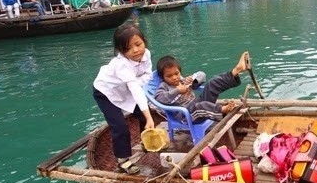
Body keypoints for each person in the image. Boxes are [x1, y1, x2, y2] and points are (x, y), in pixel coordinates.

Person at [92, 24, 155, 174]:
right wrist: (149, 117)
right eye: (127, 48)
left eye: (138, 44)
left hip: (125, 90)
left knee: (144, 116)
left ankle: (145, 139)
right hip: (105, 93)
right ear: (120, 51)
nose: (135, 50)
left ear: (144, 41)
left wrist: (147, 116)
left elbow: (148, 76)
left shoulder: (146, 54)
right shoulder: (121, 64)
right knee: (120, 127)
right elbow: (135, 89)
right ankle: (123, 161)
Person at [153, 52, 250, 122]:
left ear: (179, 71)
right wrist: (177, 90)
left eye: (176, 73)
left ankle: (236, 71)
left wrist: (193, 79)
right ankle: (222, 110)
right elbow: (158, 98)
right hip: (185, 115)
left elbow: (202, 75)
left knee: (212, 84)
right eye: (169, 76)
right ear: (162, 77)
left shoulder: (183, 81)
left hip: (196, 104)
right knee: (200, 106)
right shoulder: (164, 86)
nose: (174, 78)